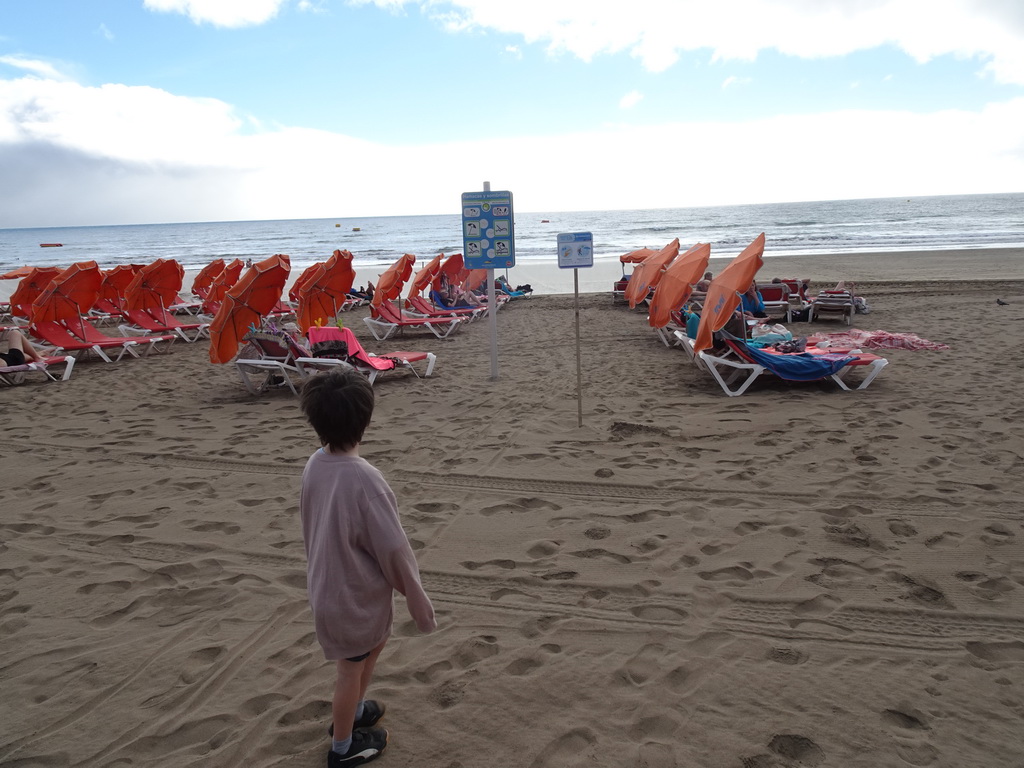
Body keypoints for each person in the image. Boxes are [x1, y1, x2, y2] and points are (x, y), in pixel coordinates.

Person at [299, 369, 436, 767]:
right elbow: (394, 549)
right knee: (350, 668)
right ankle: (342, 747)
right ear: (366, 419)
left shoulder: (316, 462)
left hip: (333, 588)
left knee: (370, 649)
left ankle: (355, 711)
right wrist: (416, 597)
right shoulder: (365, 479)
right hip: (350, 596)